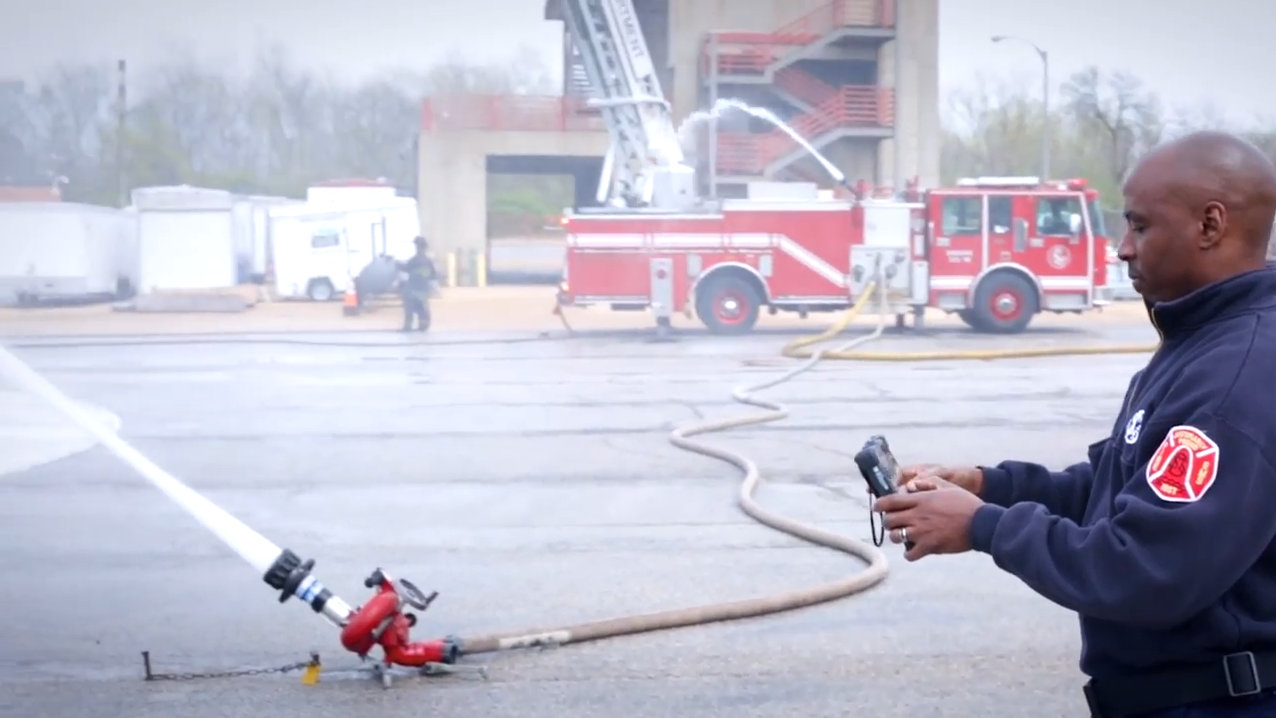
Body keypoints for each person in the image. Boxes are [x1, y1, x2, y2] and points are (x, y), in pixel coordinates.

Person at [873, 130, 1276, 718]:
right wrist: (990, 487)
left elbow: (1145, 568)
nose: (1122, 248)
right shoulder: (1204, 341)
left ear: (1210, 226)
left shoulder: (1234, 377)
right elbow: (1122, 487)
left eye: (1140, 226)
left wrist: (986, 527)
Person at [396, 236, 436, 332]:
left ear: (418, 247)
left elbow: (405, 268)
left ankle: (408, 326)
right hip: (423, 290)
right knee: (422, 307)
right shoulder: (428, 261)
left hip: (413, 289)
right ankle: (423, 325)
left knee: (409, 305)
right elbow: (434, 275)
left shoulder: (415, 260)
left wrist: (395, 263)